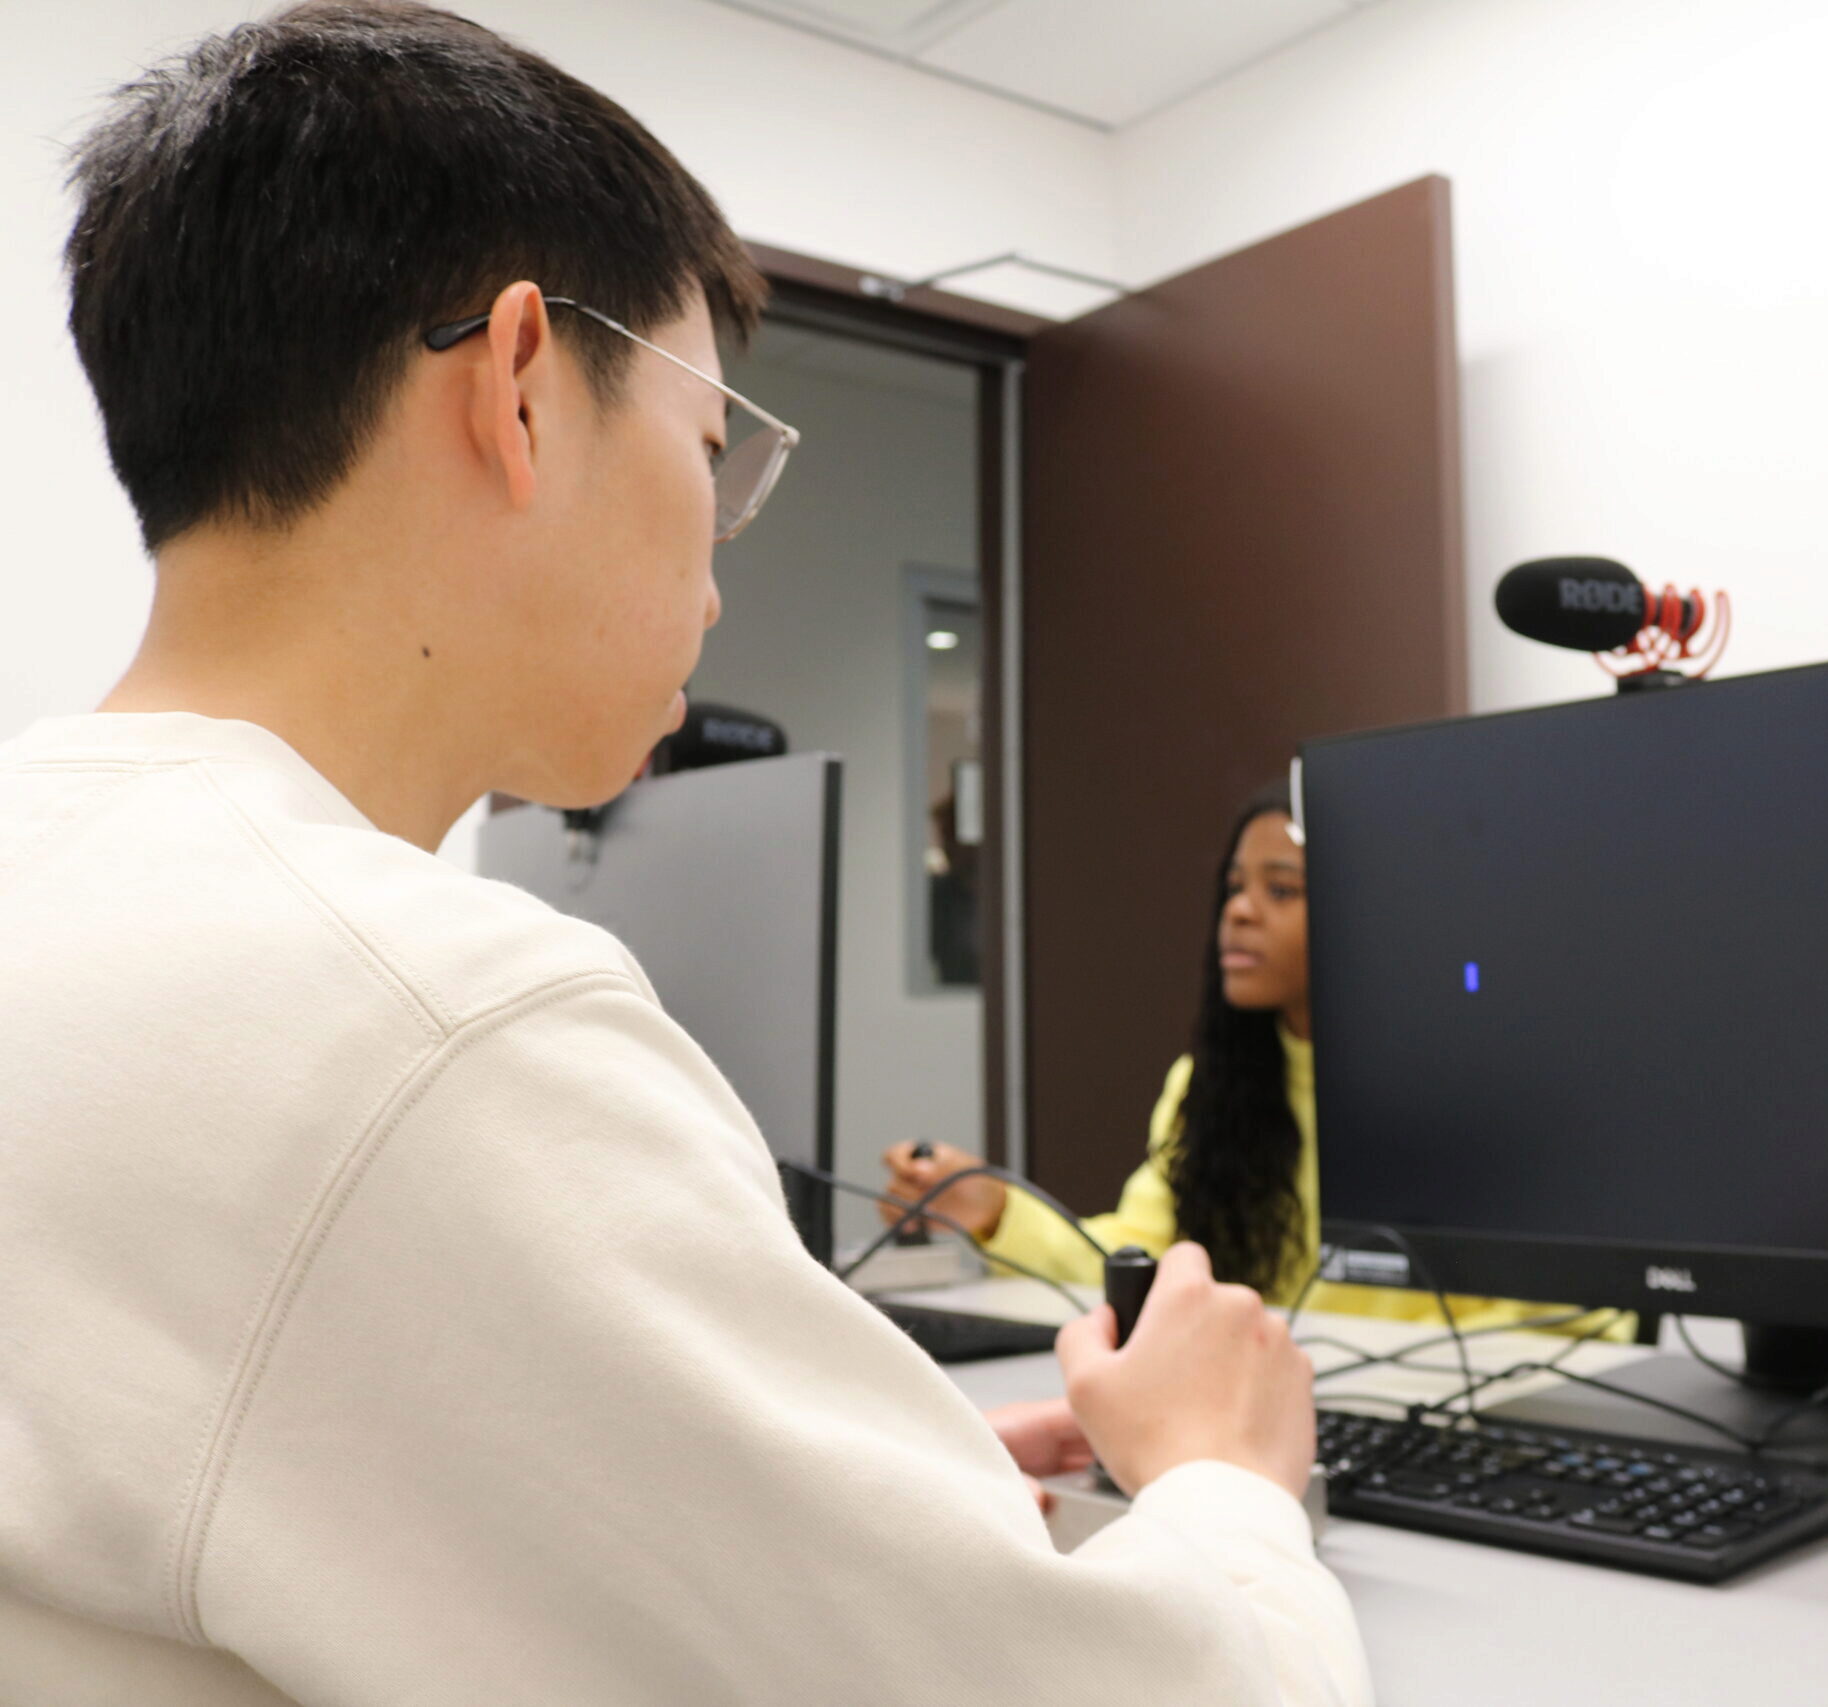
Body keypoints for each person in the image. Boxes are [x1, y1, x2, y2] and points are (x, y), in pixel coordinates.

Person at [0, 7, 1364, 1704]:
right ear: (518, 386)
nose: (716, 577)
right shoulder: (433, 1032)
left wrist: (826, 1532)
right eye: (714, 450)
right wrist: (1230, 1479)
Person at [884, 784, 1621, 1336]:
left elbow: (1581, 1319)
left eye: (1281, 889)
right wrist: (994, 1210)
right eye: (1235, 887)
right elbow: (1146, 1254)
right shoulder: (1206, 1088)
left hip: (1433, 1424)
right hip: (1268, 1420)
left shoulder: (1476, 1092)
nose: (1238, 910)